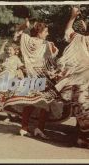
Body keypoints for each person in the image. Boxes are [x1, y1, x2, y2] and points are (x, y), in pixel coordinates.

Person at [4, 18, 64, 139]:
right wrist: (55, 71)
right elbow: (51, 60)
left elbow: (17, 32)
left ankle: (24, 128)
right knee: (47, 101)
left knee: (30, 101)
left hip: (31, 76)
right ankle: (38, 128)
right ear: (39, 32)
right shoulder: (47, 44)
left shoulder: (28, 40)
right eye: (45, 31)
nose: (47, 34)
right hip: (42, 75)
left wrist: (24, 26)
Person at [55, 7, 89, 148]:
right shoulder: (80, 39)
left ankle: (82, 137)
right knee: (82, 105)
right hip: (82, 79)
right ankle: (82, 137)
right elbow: (68, 32)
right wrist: (72, 17)